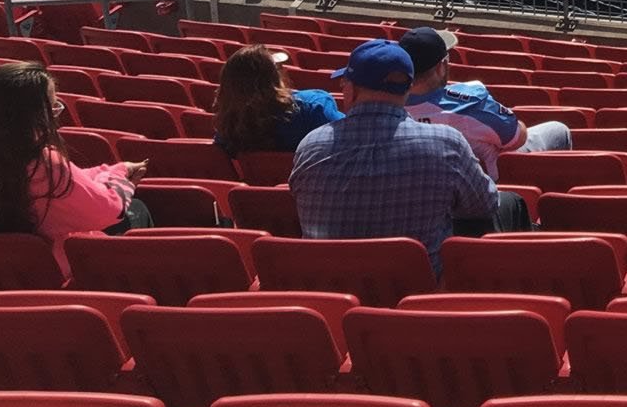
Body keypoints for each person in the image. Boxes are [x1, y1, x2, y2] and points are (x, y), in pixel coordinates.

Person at [289, 40, 514, 266]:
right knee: (508, 202)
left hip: (328, 285)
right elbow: (485, 204)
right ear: (407, 90)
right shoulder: (446, 143)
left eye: (344, 83)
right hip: (421, 290)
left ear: (352, 88)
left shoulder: (310, 145)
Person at [0, 60, 149, 274]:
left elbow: (74, 181)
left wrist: (107, 171)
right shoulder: (44, 164)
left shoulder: (6, 158)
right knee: (136, 209)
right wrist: (121, 173)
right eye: (52, 108)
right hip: (50, 273)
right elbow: (108, 210)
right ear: (33, 115)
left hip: (2, 273)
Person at [398, 27, 572, 180]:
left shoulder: (384, 105)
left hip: (424, 187)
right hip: (486, 189)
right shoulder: (469, 103)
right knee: (559, 130)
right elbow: (517, 138)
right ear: (441, 66)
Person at [213, 44, 343, 155]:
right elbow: (346, 141)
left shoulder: (227, 130)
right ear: (272, 78)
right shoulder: (314, 106)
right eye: (278, 68)